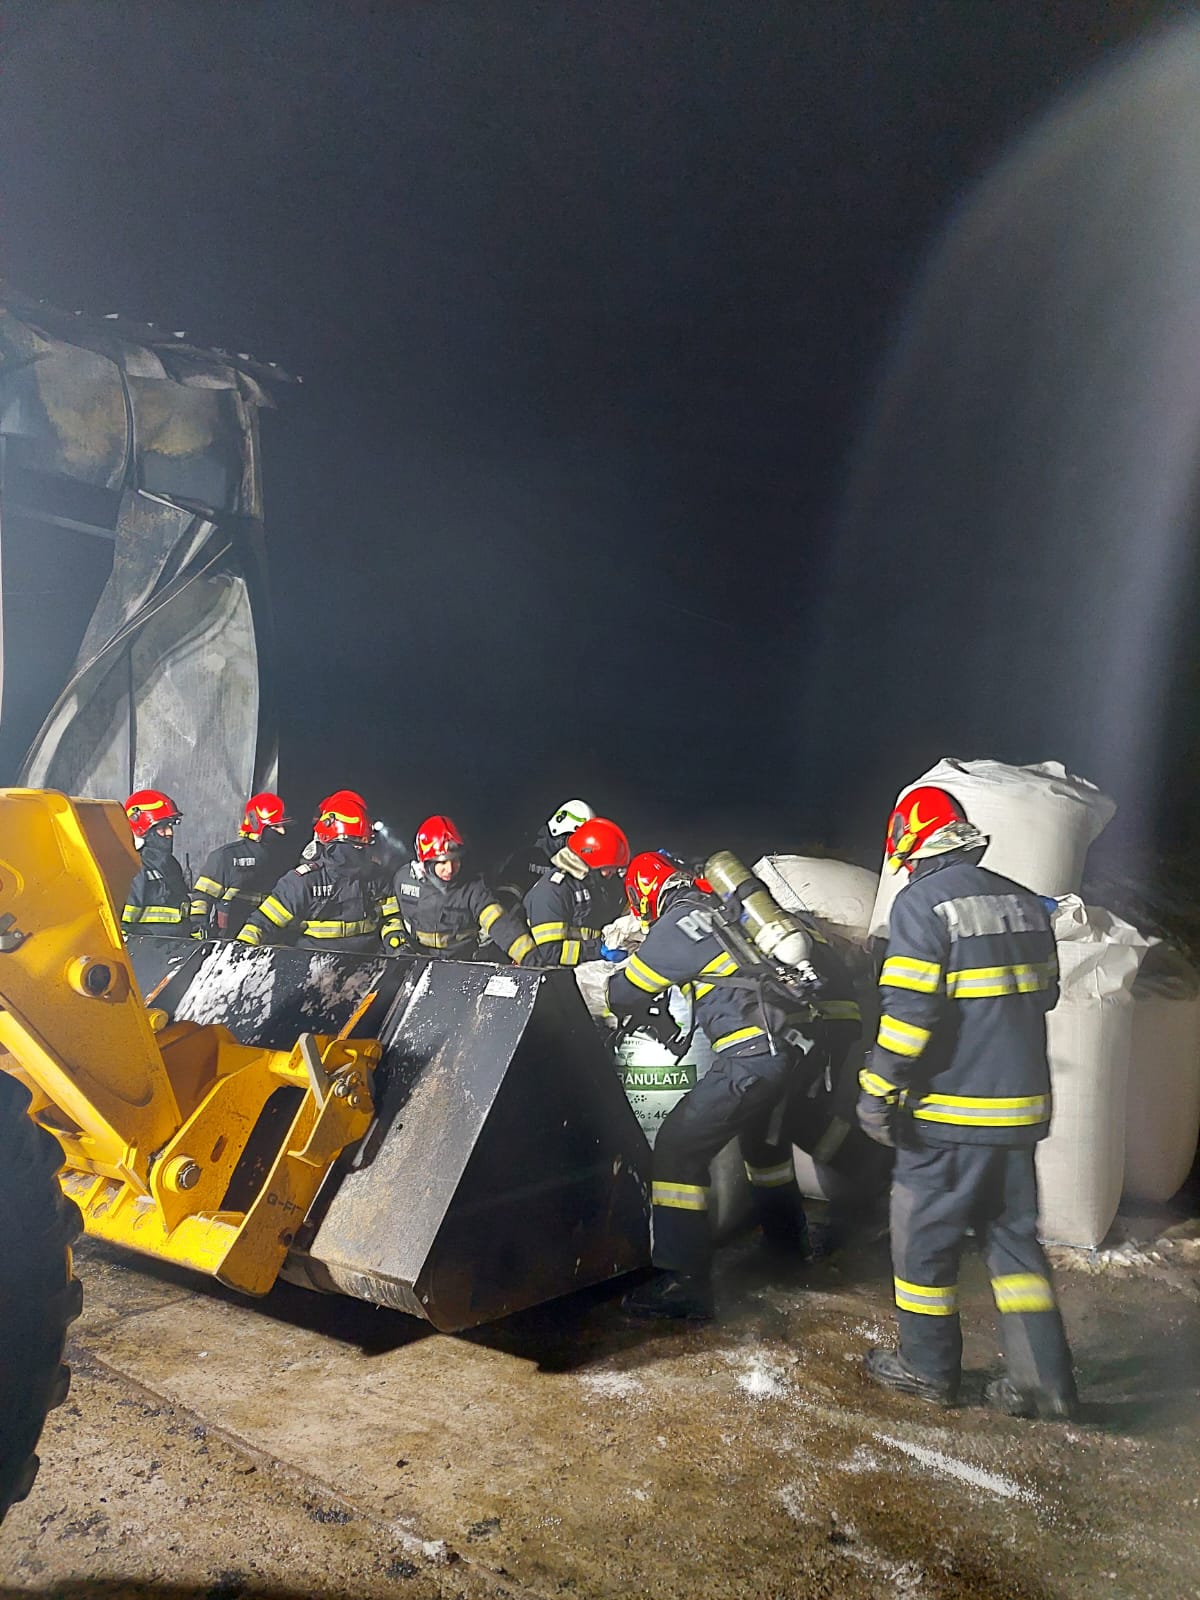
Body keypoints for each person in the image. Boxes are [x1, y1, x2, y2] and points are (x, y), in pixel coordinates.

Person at [856, 784, 1077, 1419]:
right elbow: (1047, 994)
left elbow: (910, 1016)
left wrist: (878, 1090)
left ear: (910, 845)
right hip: (1022, 1113)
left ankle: (926, 1369)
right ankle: (1046, 1383)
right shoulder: (1023, 901)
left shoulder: (921, 905)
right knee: (1014, 1245)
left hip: (949, 1116)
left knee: (923, 1242)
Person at [606, 851, 814, 1320]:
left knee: (677, 1148)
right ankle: (787, 1250)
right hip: (794, 1047)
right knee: (763, 1148)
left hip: (753, 1057)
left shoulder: (678, 922)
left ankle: (684, 1283)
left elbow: (624, 992)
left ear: (643, 895)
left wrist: (622, 978)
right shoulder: (723, 910)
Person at [236, 789, 402, 954]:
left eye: (364, 842)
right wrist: (238, 957)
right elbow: (261, 924)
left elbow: (391, 918)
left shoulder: (377, 879)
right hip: (312, 967)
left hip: (366, 965)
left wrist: (396, 944)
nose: (362, 850)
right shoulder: (304, 881)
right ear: (335, 843)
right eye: (356, 842)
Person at [392, 815, 535, 964]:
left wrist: (531, 959)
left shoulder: (473, 889)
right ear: (426, 862)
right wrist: (398, 946)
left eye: (455, 860)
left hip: (462, 965)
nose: (450, 869)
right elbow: (391, 916)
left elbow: (501, 924)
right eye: (443, 862)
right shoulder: (404, 880)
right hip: (417, 964)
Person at [524, 817, 631, 967]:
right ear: (591, 860)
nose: (613, 872)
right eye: (609, 867)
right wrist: (598, 951)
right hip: (556, 973)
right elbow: (551, 952)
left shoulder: (595, 884)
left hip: (588, 969)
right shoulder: (553, 891)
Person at [190, 791, 296, 939]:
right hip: (229, 938)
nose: (282, 832)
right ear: (257, 825)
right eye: (276, 826)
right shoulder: (226, 857)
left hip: (269, 939)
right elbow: (202, 897)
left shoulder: (284, 859)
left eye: (283, 826)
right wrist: (198, 926)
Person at [121, 789, 201, 939]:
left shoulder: (170, 864)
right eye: (162, 827)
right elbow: (123, 925)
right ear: (143, 829)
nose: (170, 833)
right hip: (146, 948)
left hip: (175, 945)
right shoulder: (135, 867)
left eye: (170, 825)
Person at [495, 798, 596, 905]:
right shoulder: (525, 859)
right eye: (577, 840)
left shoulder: (587, 868)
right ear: (562, 832)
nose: (582, 847)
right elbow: (506, 900)